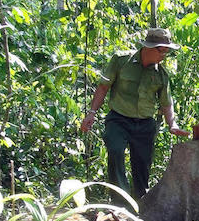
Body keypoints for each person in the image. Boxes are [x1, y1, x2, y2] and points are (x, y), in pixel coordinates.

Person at [80, 27, 189, 204]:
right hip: (119, 119)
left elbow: (166, 103)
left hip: (145, 124)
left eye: (167, 52)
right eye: (162, 51)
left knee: (142, 166)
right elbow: (103, 87)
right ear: (149, 48)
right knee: (115, 151)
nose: (164, 55)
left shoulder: (161, 75)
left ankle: (140, 204)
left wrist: (173, 125)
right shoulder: (121, 61)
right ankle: (120, 203)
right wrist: (91, 113)